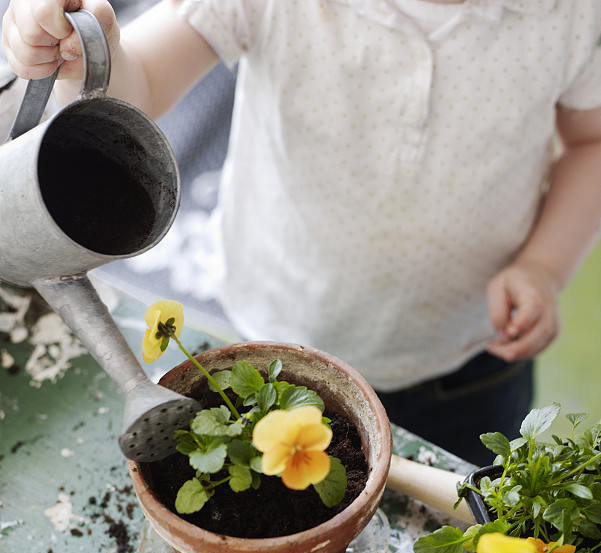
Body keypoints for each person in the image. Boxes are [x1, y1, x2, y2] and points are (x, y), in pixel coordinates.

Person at [3, 0, 601, 465]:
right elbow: (144, 85)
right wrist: (92, 56)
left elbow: (589, 143)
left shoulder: (567, 16)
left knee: (460, 541)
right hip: (276, 344)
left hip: (466, 358)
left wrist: (544, 266)